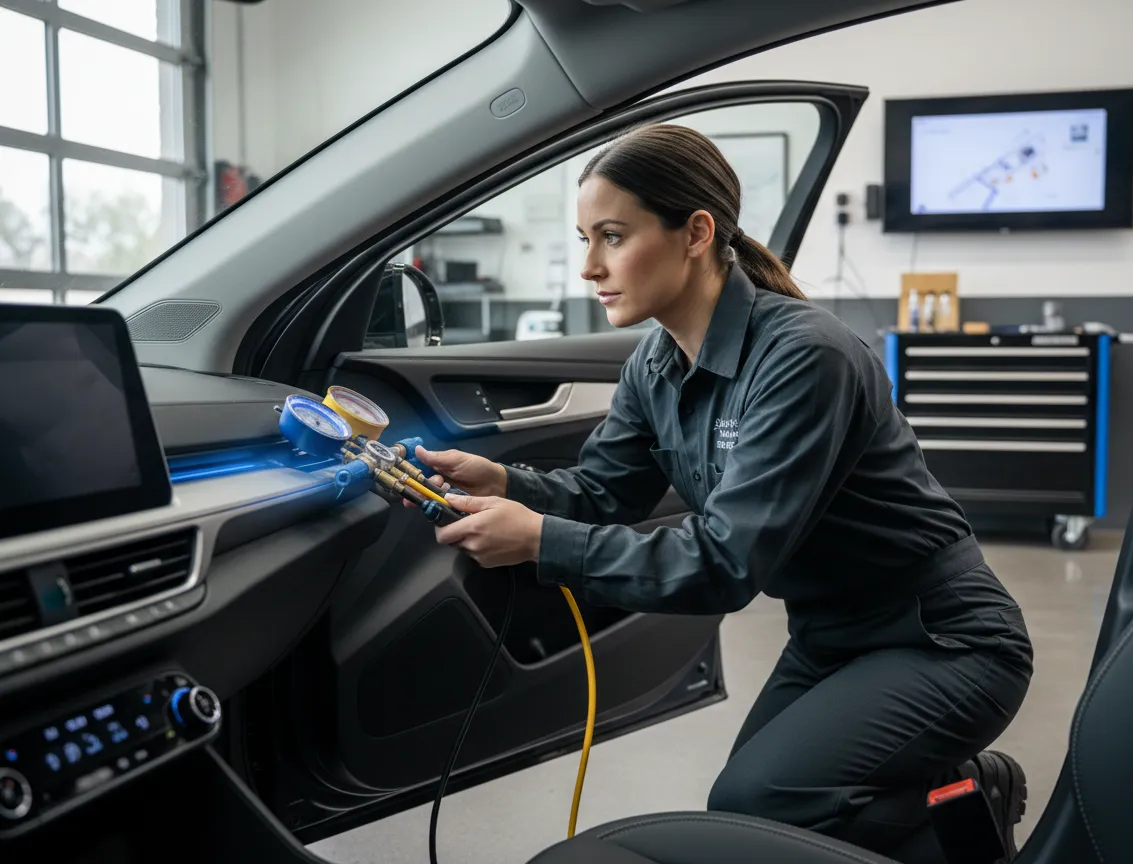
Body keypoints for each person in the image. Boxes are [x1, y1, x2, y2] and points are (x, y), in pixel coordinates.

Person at [410, 124, 1034, 863]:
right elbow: (604, 490)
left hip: (944, 640)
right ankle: (951, 806)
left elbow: (729, 563)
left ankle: (962, 805)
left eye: (612, 236)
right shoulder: (657, 362)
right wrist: (507, 483)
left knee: (758, 805)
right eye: (585, 238)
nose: (588, 267)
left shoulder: (805, 356)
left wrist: (540, 538)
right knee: (751, 818)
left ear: (696, 232)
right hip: (831, 637)